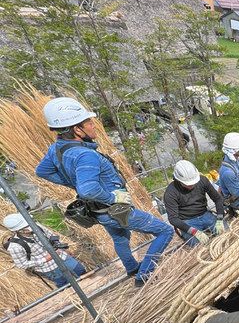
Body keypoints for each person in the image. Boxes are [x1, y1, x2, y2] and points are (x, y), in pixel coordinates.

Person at [35, 97, 173, 287]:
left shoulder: (57, 148)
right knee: (164, 231)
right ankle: (144, 274)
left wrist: (73, 182)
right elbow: (88, 189)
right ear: (77, 129)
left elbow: (42, 171)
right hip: (114, 209)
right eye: (89, 123)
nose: (94, 126)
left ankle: (132, 268)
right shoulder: (85, 155)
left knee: (120, 238)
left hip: (98, 211)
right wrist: (112, 196)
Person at [3, 213, 86, 288]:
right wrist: (45, 259)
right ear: (18, 230)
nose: (30, 227)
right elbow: (22, 264)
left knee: (81, 271)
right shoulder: (15, 246)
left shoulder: (37, 226)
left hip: (62, 257)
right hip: (48, 268)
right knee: (67, 286)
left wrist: (62, 248)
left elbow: (52, 236)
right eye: (26, 226)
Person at [163, 160, 225, 247]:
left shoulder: (202, 180)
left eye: (193, 182)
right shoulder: (170, 192)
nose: (191, 185)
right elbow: (173, 219)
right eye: (187, 184)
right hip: (187, 221)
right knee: (198, 247)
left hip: (205, 214)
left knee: (227, 232)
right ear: (178, 180)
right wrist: (192, 231)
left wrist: (219, 218)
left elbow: (217, 199)